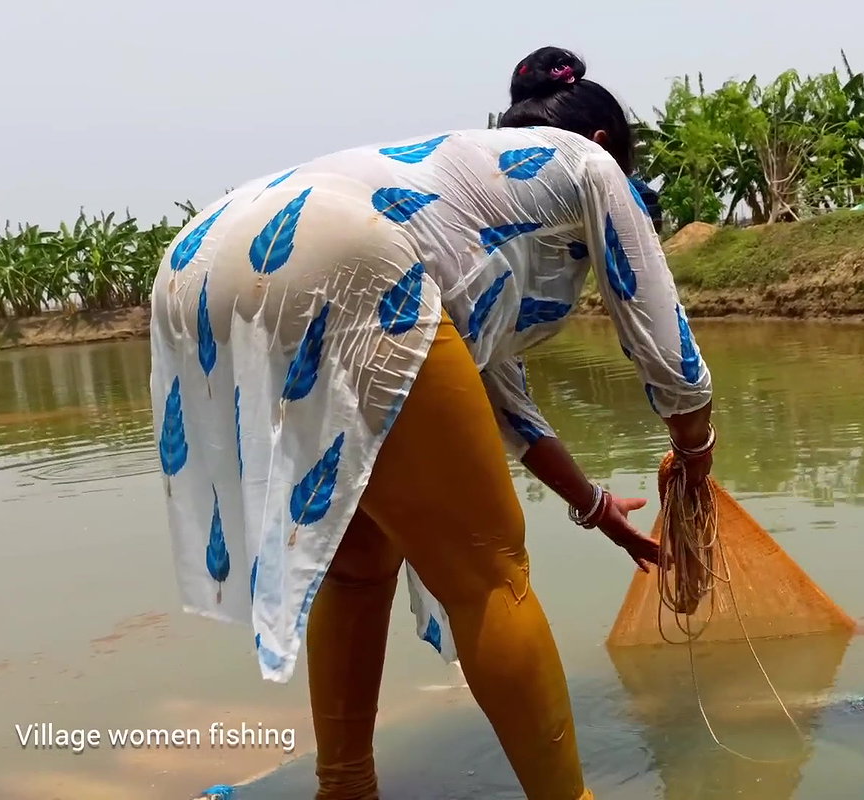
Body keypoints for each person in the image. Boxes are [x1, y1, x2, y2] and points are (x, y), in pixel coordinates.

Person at [148, 45, 715, 800]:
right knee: (492, 574)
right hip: (335, 250)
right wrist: (695, 453)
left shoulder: (464, 190)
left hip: (200, 255)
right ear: (607, 142)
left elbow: (499, 394)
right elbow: (663, 337)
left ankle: (345, 787)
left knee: (360, 559)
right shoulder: (589, 163)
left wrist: (593, 506)